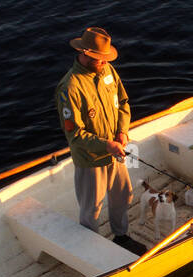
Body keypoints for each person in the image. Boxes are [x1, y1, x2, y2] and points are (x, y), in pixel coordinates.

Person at [54, 26, 145, 254]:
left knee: (123, 195)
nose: (104, 63)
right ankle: (91, 250)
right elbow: (75, 135)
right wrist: (106, 145)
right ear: (84, 53)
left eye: (106, 59)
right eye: (99, 59)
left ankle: (121, 237)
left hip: (116, 151)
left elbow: (123, 103)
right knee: (91, 209)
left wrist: (122, 132)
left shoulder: (108, 72)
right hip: (91, 160)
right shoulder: (70, 87)